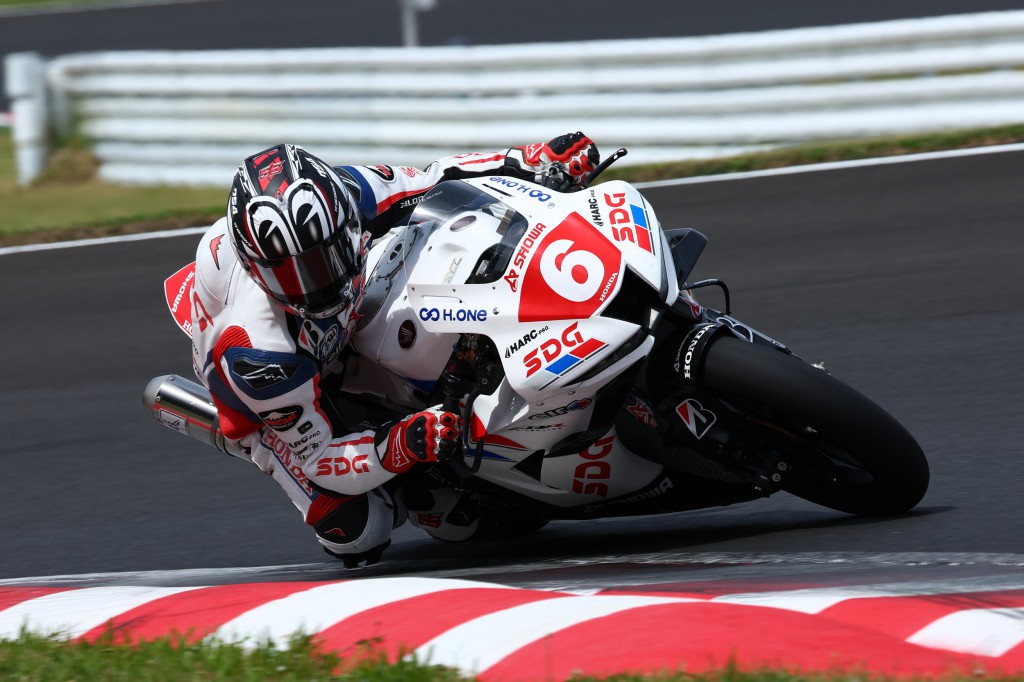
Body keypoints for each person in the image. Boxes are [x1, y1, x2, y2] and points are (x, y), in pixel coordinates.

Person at [189, 133, 600, 566]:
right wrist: (402, 444)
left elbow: (436, 178)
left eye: (325, 259)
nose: (316, 286)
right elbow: (321, 459)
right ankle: (253, 439)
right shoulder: (260, 355)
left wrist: (527, 160)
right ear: (257, 271)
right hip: (267, 393)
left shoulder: (347, 192)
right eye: (290, 275)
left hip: (322, 329)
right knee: (358, 529)